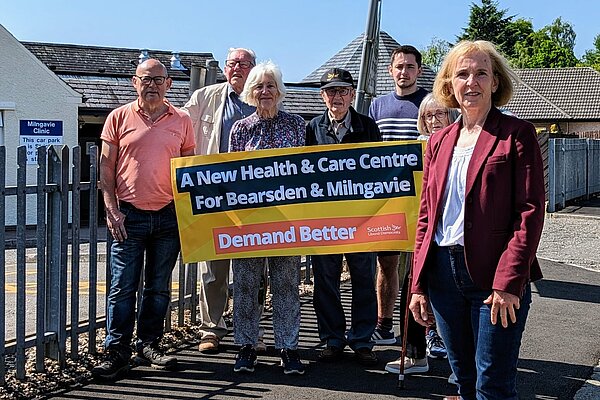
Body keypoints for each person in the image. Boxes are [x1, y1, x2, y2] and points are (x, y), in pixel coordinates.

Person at [409, 40, 545, 400]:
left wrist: (508, 282)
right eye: (462, 74)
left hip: (493, 277)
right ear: (449, 84)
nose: (472, 82)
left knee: (493, 386)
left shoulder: (517, 135)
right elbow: (427, 216)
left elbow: (530, 212)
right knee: (463, 383)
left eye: (481, 73)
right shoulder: (438, 141)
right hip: (442, 277)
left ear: (495, 82)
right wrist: (418, 285)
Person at [92, 59, 196, 380]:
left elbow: (188, 170)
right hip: (129, 216)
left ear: (169, 84)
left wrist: (187, 213)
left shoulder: (182, 120)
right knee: (122, 288)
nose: (151, 84)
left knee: (158, 289)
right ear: (134, 82)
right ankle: (117, 351)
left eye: (158, 79)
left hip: (168, 217)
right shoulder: (117, 118)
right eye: (145, 79)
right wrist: (111, 208)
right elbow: (106, 167)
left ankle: (150, 344)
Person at [182, 48, 262, 354]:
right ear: (225, 68)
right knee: (212, 267)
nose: (237, 68)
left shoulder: (263, 96)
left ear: (253, 68)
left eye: (244, 63)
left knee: (254, 269)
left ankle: (252, 331)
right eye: (232, 63)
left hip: (255, 198)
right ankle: (212, 328)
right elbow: (179, 130)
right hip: (213, 194)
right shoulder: (205, 98)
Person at [228, 61, 306, 375]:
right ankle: (246, 347)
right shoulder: (240, 129)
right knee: (246, 285)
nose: (265, 91)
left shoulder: (297, 124)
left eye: (270, 85)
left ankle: (288, 348)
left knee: (287, 286)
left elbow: (306, 171)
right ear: (250, 91)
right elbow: (229, 176)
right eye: (259, 86)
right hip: (249, 224)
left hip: (286, 223)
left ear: (279, 91)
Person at [306, 68, 381, 366]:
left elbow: (380, 170)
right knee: (326, 280)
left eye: (342, 91)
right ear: (323, 96)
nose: (336, 97)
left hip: (361, 219)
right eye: (330, 91)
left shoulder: (367, 126)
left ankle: (362, 339)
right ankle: (332, 339)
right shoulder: (312, 128)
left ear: (352, 94)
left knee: (364, 278)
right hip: (324, 221)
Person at [385, 94, 459, 374]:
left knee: (454, 302)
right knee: (412, 293)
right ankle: (416, 356)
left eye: (439, 113)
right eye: (428, 116)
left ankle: (461, 367)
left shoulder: (462, 144)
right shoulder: (414, 149)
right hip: (421, 236)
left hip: (452, 236)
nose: (433, 121)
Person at [368, 45, 429, 374]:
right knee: (387, 264)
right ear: (390, 71)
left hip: (422, 199)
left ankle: (425, 334)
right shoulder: (378, 104)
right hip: (388, 199)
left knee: (421, 270)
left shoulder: (430, 104)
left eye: (410, 66)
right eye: (399, 66)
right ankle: (384, 322)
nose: (404, 71)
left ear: (419, 70)